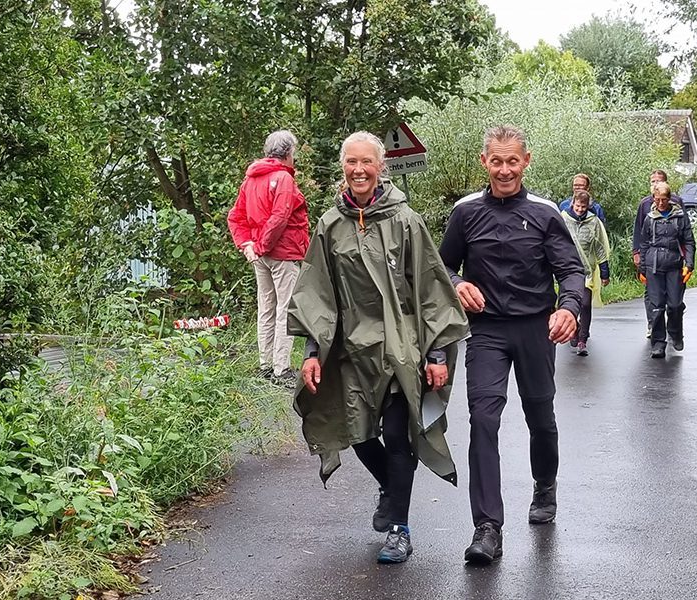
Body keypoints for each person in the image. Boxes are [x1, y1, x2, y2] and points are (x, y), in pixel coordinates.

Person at [286, 131, 470, 564]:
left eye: (367, 162)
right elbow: (318, 293)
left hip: (400, 347)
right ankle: (391, 485)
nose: (359, 170)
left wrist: (438, 354)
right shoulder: (330, 225)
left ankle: (400, 530)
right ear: (343, 167)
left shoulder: (405, 220)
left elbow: (430, 287)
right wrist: (313, 353)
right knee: (355, 432)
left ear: (381, 166)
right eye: (351, 162)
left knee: (397, 434)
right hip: (350, 351)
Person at [439, 125, 585, 565]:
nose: (505, 169)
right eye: (496, 161)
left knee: (540, 414)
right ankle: (487, 528)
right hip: (486, 331)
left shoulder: (543, 213)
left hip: (536, 328)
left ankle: (544, 485)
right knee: (483, 419)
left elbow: (572, 271)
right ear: (484, 162)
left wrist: (569, 309)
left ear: (526, 161)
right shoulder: (465, 213)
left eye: (512, 161)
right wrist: (458, 282)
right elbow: (439, 268)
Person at [227, 130, 310, 386]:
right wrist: (261, 245)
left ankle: (266, 364)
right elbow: (280, 217)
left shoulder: (250, 179)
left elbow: (235, 216)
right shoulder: (282, 178)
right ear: (287, 153)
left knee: (266, 307)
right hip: (281, 253)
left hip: (260, 254)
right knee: (285, 308)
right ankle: (281, 369)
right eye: (293, 153)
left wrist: (247, 245)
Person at [636, 182, 696, 359]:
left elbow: (689, 242)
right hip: (654, 267)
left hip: (674, 266)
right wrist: (642, 268)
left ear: (669, 199)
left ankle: (676, 333)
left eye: (664, 199)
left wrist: (689, 264)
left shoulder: (680, 217)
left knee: (675, 305)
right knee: (657, 307)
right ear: (653, 199)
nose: (661, 203)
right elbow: (644, 244)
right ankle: (658, 343)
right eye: (658, 199)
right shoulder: (649, 218)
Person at [631, 169, 683, 338]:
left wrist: (685, 256)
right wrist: (637, 252)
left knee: (673, 299)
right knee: (652, 294)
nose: (655, 184)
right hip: (651, 257)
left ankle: (673, 323)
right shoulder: (645, 204)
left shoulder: (676, 202)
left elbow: (683, 230)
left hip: (672, 258)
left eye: (658, 181)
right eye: (652, 181)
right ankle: (653, 324)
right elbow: (639, 230)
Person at [560, 190, 611, 356]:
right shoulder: (563, 219)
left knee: (585, 304)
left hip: (587, 271)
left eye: (583, 207)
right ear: (572, 204)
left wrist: (605, 272)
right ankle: (574, 329)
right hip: (566, 270)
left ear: (588, 206)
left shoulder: (594, 222)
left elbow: (600, 247)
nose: (580, 209)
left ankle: (582, 340)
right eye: (577, 206)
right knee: (567, 303)